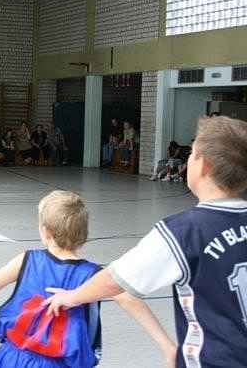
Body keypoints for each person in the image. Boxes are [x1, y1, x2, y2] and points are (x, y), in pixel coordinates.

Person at [44, 115, 247, 368]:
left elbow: (115, 280)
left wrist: (72, 297)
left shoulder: (183, 231)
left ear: (203, 165)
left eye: (192, 154)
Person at [0, 190, 176, 368]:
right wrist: (168, 347)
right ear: (83, 235)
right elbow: (135, 303)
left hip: (12, 359)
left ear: (46, 231)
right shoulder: (94, 276)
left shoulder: (27, 261)